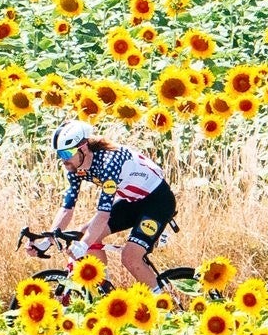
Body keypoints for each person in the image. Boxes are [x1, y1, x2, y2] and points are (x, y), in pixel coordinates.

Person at [46, 120, 174, 290]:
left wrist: (83, 246)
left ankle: (163, 308)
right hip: (132, 201)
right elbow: (67, 207)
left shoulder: (109, 163)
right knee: (85, 234)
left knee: (130, 257)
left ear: (83, 147)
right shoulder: (75, 167)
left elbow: (103, 214)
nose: (63, 160)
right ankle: (104, 289)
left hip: (158, 201)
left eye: (66, 154)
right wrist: (47, 240)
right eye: (59, 155)